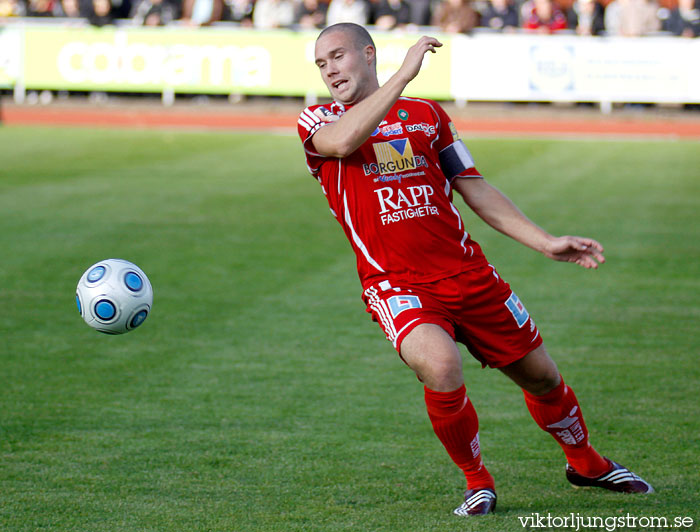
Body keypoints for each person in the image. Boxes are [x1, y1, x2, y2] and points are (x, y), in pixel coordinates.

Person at [296, 23, 654, 517]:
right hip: (396, 283)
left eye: (337, 56)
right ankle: (477, 481)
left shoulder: (427, 116)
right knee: (441, 366)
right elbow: (342, 142)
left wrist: (545, 242)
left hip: (468, 274)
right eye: (321, 63)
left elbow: (473, 185)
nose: (330, 69)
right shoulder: (317, 119)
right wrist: (402, 76)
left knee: (543, 378)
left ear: (367, 53)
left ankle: (585, 463)